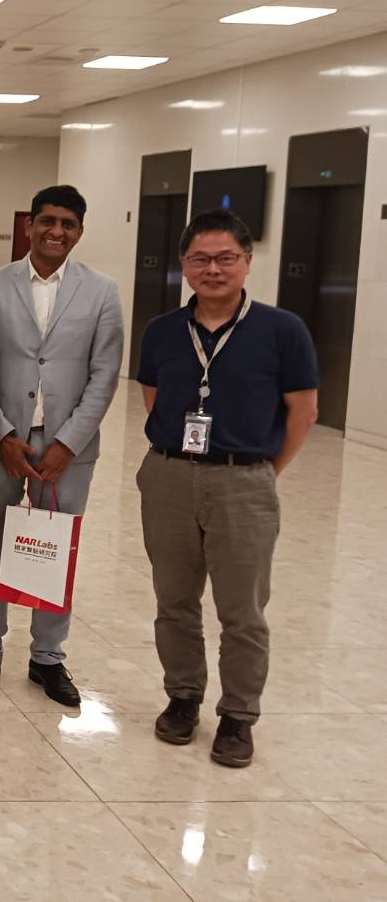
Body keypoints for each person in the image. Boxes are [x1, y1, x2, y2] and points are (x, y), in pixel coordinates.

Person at [137, 209, 318, 768]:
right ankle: (183, 697)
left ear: (246, 261)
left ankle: (238, 715)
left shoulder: (282, 330)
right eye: (200, 259)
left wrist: (260, 472)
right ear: (184, 266)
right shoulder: (163, 330)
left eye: (225, 258)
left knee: (242, 609)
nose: (212, 269)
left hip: (244, 481)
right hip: (169, 475)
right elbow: (153, 397)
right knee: (174, 600)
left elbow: (303, 411)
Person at [0, 185, 123, 707]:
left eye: (68, 224)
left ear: (79, 231)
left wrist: (68, 442)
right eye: (47, 221)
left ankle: (48, 657)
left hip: (67, 451)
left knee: (56, 550)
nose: (57, 232)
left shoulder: (102, 291)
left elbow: (104, 375)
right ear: (29, 225)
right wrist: (1, 435)